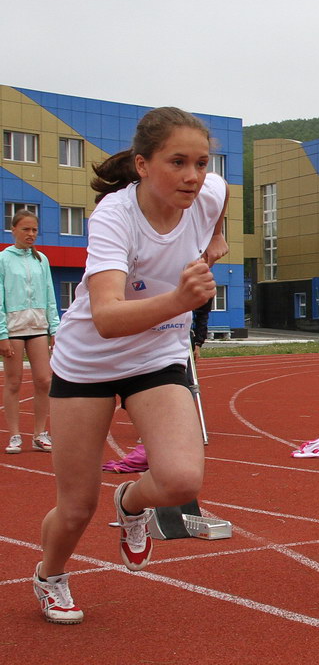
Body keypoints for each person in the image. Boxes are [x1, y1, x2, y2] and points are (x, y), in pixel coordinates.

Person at [32, 107, 228, 624]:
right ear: (142, 165)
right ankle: (50, 574)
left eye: (201, 162)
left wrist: (215, 245)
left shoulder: (210, 193)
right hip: (88, 363)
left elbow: (218, 213)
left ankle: (132, 503)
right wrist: (181, 299)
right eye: (177, 162)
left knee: (182, 480)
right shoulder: (115, 217)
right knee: (76, 508)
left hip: (158, 355)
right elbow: (108, 318)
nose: (192, 176)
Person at [1, 210, 60, 455]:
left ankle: (39, 433)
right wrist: (2, 333)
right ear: (13, 230)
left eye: (34, 230)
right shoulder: (3, 259)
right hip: (13, 328)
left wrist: (54, 327)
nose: (31, 234)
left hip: (37, 327)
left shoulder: (41, 259)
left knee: (44, 380)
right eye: (25, 229)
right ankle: (15, 435)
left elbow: (49, 294)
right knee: (13, 383)